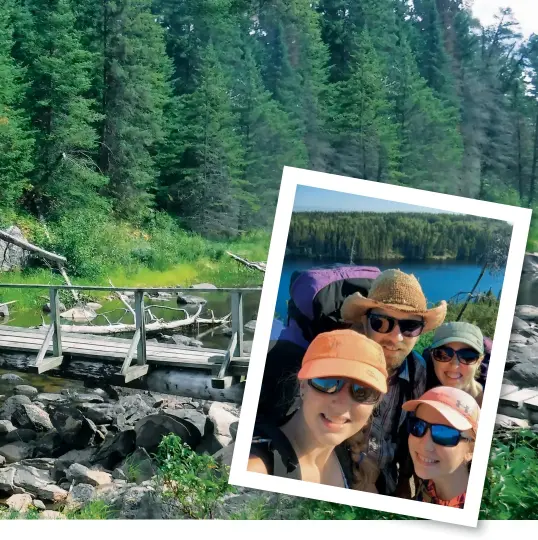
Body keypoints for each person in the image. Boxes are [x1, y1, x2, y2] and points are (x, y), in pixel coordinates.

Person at [341, 269, 447, 496]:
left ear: (420, 332)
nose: (396, 337)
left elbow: (409, 430)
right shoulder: (340, 361)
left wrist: (404, 481)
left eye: (409, 326)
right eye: (381, 322)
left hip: (388, 479)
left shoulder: (416, 369)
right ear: (365, 320)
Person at [248, 329, 388, 491]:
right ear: (303, 386)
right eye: (327, 382)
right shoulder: (256, 469)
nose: (341, 404)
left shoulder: (349, 458)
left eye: (362, 392)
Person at [403, 386, 480, 508]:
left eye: (445, 434)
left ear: (471, 449)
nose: (426, 445)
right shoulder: (429, 484)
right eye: (418, 426)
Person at [424, 322, 486, 406]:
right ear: (432, 357)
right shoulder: (418, 390)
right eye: (443, 355)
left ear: (479, 361)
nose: (454, 365)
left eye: (467, 356)